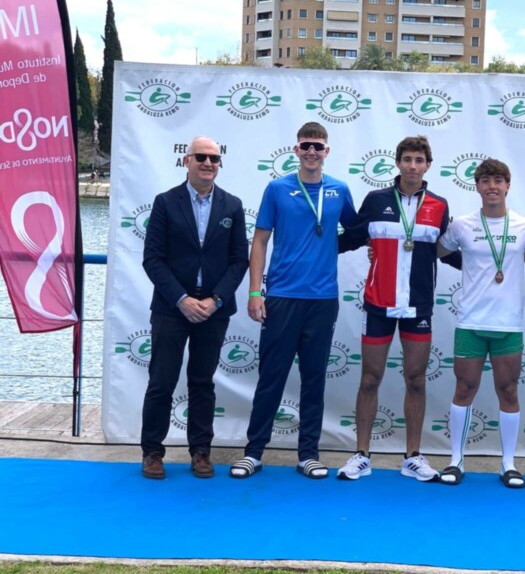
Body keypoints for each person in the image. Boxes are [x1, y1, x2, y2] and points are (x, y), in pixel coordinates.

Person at [230, 122, 357, 480]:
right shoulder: (277, 188)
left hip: (322, 299)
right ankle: (253, 452)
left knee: (314, 378)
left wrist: (332, 246)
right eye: (306, 146)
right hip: (282, 296)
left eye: (318, 146)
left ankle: (308, 454)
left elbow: (356, 230)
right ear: (296, 149)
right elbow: (259, 241)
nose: (312, 152)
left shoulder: (339, 190)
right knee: (271, 376)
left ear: (327, 151)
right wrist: (255, 291)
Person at [336, 135, 459, 482]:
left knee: (416, 380)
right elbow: (350, 239)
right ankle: (361, 454)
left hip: (418, 306)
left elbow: (448, 251)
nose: (412, 166)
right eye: (407, 159)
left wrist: (494, 262)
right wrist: (310, 247)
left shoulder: (439, 204)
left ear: (428, 165)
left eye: (419, 160)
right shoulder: (376, 200)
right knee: (370, 379)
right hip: (378, 303)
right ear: (398, 163)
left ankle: (413, 457)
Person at [436, 158, 525, 488]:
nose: (492, 186)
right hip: (470, 321)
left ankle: (508, 464)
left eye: (499, 180)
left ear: (508, 186)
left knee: (508, 390)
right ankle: (456, 460)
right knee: (464, 388)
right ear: (477, 186)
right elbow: (432, 254)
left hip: (509, 325)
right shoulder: (461, 226)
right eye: (486, 180)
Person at [140, 136, 248, 479]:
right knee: (162, 380)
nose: (208, 163)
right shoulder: (165, 203)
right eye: (201, 156)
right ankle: (152, 453)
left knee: (203, 382)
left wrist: (214, 300)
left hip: (213, 310)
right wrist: (181, 299)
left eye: (214, 158)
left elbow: (239, 261)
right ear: (186, 161)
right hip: (172, 309)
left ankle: (201, 452)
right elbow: (152, 259)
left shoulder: (232, 205)